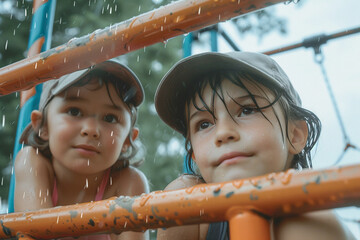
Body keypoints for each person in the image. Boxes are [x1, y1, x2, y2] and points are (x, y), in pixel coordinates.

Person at [155, 52, 355, 240]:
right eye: (204, 124)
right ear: (195, 157)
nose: (223, 133)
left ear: (295, 135)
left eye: (247, 110)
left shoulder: (309, 222)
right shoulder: (188, 211)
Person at [14, 60, 149, 240]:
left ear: (127, 139)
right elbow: (34, 234)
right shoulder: (31, 161)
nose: (91, 130)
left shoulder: (128, 182)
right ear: (42, 126)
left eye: (110, 118)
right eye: (74, 111)